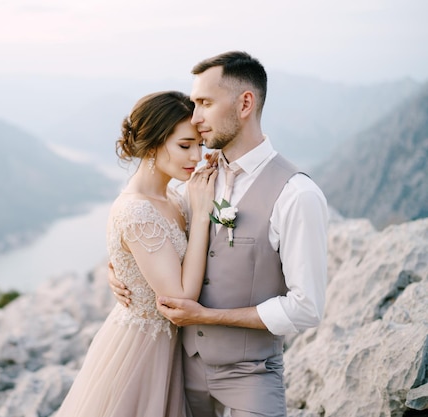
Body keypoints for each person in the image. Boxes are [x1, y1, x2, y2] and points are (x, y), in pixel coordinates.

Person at [109, 51, 329, 417]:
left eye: (205, 103)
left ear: (245, 103)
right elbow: (152, 236)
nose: (195, 119)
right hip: (179, 369)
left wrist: (209, 318)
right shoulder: (195, 179)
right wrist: (118, 269)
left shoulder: (297, 196)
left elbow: (307, 308)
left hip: (251, 376)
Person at [55, 90, 218, 417]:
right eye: (184, 146)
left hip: (178, 348)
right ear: (154, 145)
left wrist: (117, 269)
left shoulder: (173, 196)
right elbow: (181, 298)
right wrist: (201, 215)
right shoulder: (137, 212)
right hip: (143, 351)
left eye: (199, 145)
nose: (196, 157)